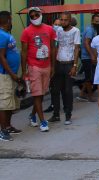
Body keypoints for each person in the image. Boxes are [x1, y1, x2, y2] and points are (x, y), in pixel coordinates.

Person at [21, 7, 56, 132]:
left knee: (41, 94)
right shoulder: (26, 31)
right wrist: (24, 70)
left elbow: (52, 48)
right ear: (30, 18)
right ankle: (43, 122)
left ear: (41, 15)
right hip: (33, 66)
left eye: (37, 15)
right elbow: (24, 52)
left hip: (46, 66)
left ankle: (32, 115)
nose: (35, 17)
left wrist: (52, 66)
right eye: (32, 16)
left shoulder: (49, 29)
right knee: (37, 94)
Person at [48, 12, 80, 125]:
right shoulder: (58, 30)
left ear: (70, 20)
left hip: (69, 64)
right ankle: (56, 114)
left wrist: (75, 65)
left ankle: (68, 115)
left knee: (67, 91)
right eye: (61, 20)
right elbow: (55, 46)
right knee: (55, 90)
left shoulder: (75, 31)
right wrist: (52, 65)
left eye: (65, 20)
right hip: (58, 63)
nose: (63, 22)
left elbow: (77, 48)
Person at [0, 11, 23, 141]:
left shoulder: (6, 34)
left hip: (11, 74)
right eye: (11, 20)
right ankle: (3, 131)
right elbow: (1, 57)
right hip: (5, 75)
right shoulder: (2, 35)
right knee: (4, 103)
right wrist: (12, 74)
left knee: (11, 103)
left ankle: (8, 126)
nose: (12, 22)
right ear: (8, 20)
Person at [78, 14, 99, 102]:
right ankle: (90, 96)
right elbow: (86, 43)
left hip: (89, 56)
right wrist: (92, 55)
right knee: (89, 77)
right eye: (96, 21)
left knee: (89, 76)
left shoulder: (93, 30)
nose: (97, 23)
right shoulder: (90, 30)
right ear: (92, 21)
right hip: (87, 57)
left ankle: (82, 94)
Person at [43, 18, 62, 113]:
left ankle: (56, 106)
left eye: (59, 25)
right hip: (49, 63)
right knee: (52, 86)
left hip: (58, 63)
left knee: (56, 86)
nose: (57, 27)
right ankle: (53, 104)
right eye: (55, 24)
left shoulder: (60, 37)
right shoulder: (49, 36)